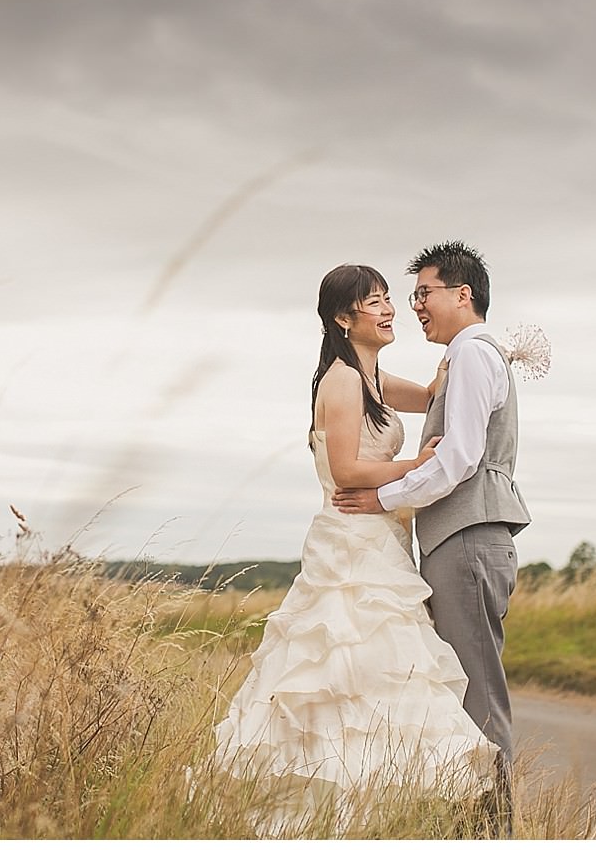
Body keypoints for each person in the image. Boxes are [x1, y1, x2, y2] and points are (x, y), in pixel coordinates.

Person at [207, 263, 498, 836]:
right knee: (341, 663)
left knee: (384, 671)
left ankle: (376, 810)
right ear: (344, 318)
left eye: (392, 298)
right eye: (377, 301)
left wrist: (472, 351)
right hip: (350, 541)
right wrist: (416, 465)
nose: (391, 309)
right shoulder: (341, 379)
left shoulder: (373, 376)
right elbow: (345, 470)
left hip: (383, 540)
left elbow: (432, 397)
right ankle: (325, 804)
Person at [333, 240, 531, 837]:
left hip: (470, 535)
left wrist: (384, 498)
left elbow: (459, 458)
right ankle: (467, 825)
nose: (414, 306)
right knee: (461, 683)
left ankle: (490, 832)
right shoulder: (464, 357)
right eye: (408, 296)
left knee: (475, 689)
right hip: (460, 537)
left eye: (423, 293)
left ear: (461, 294)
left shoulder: (473, 354)